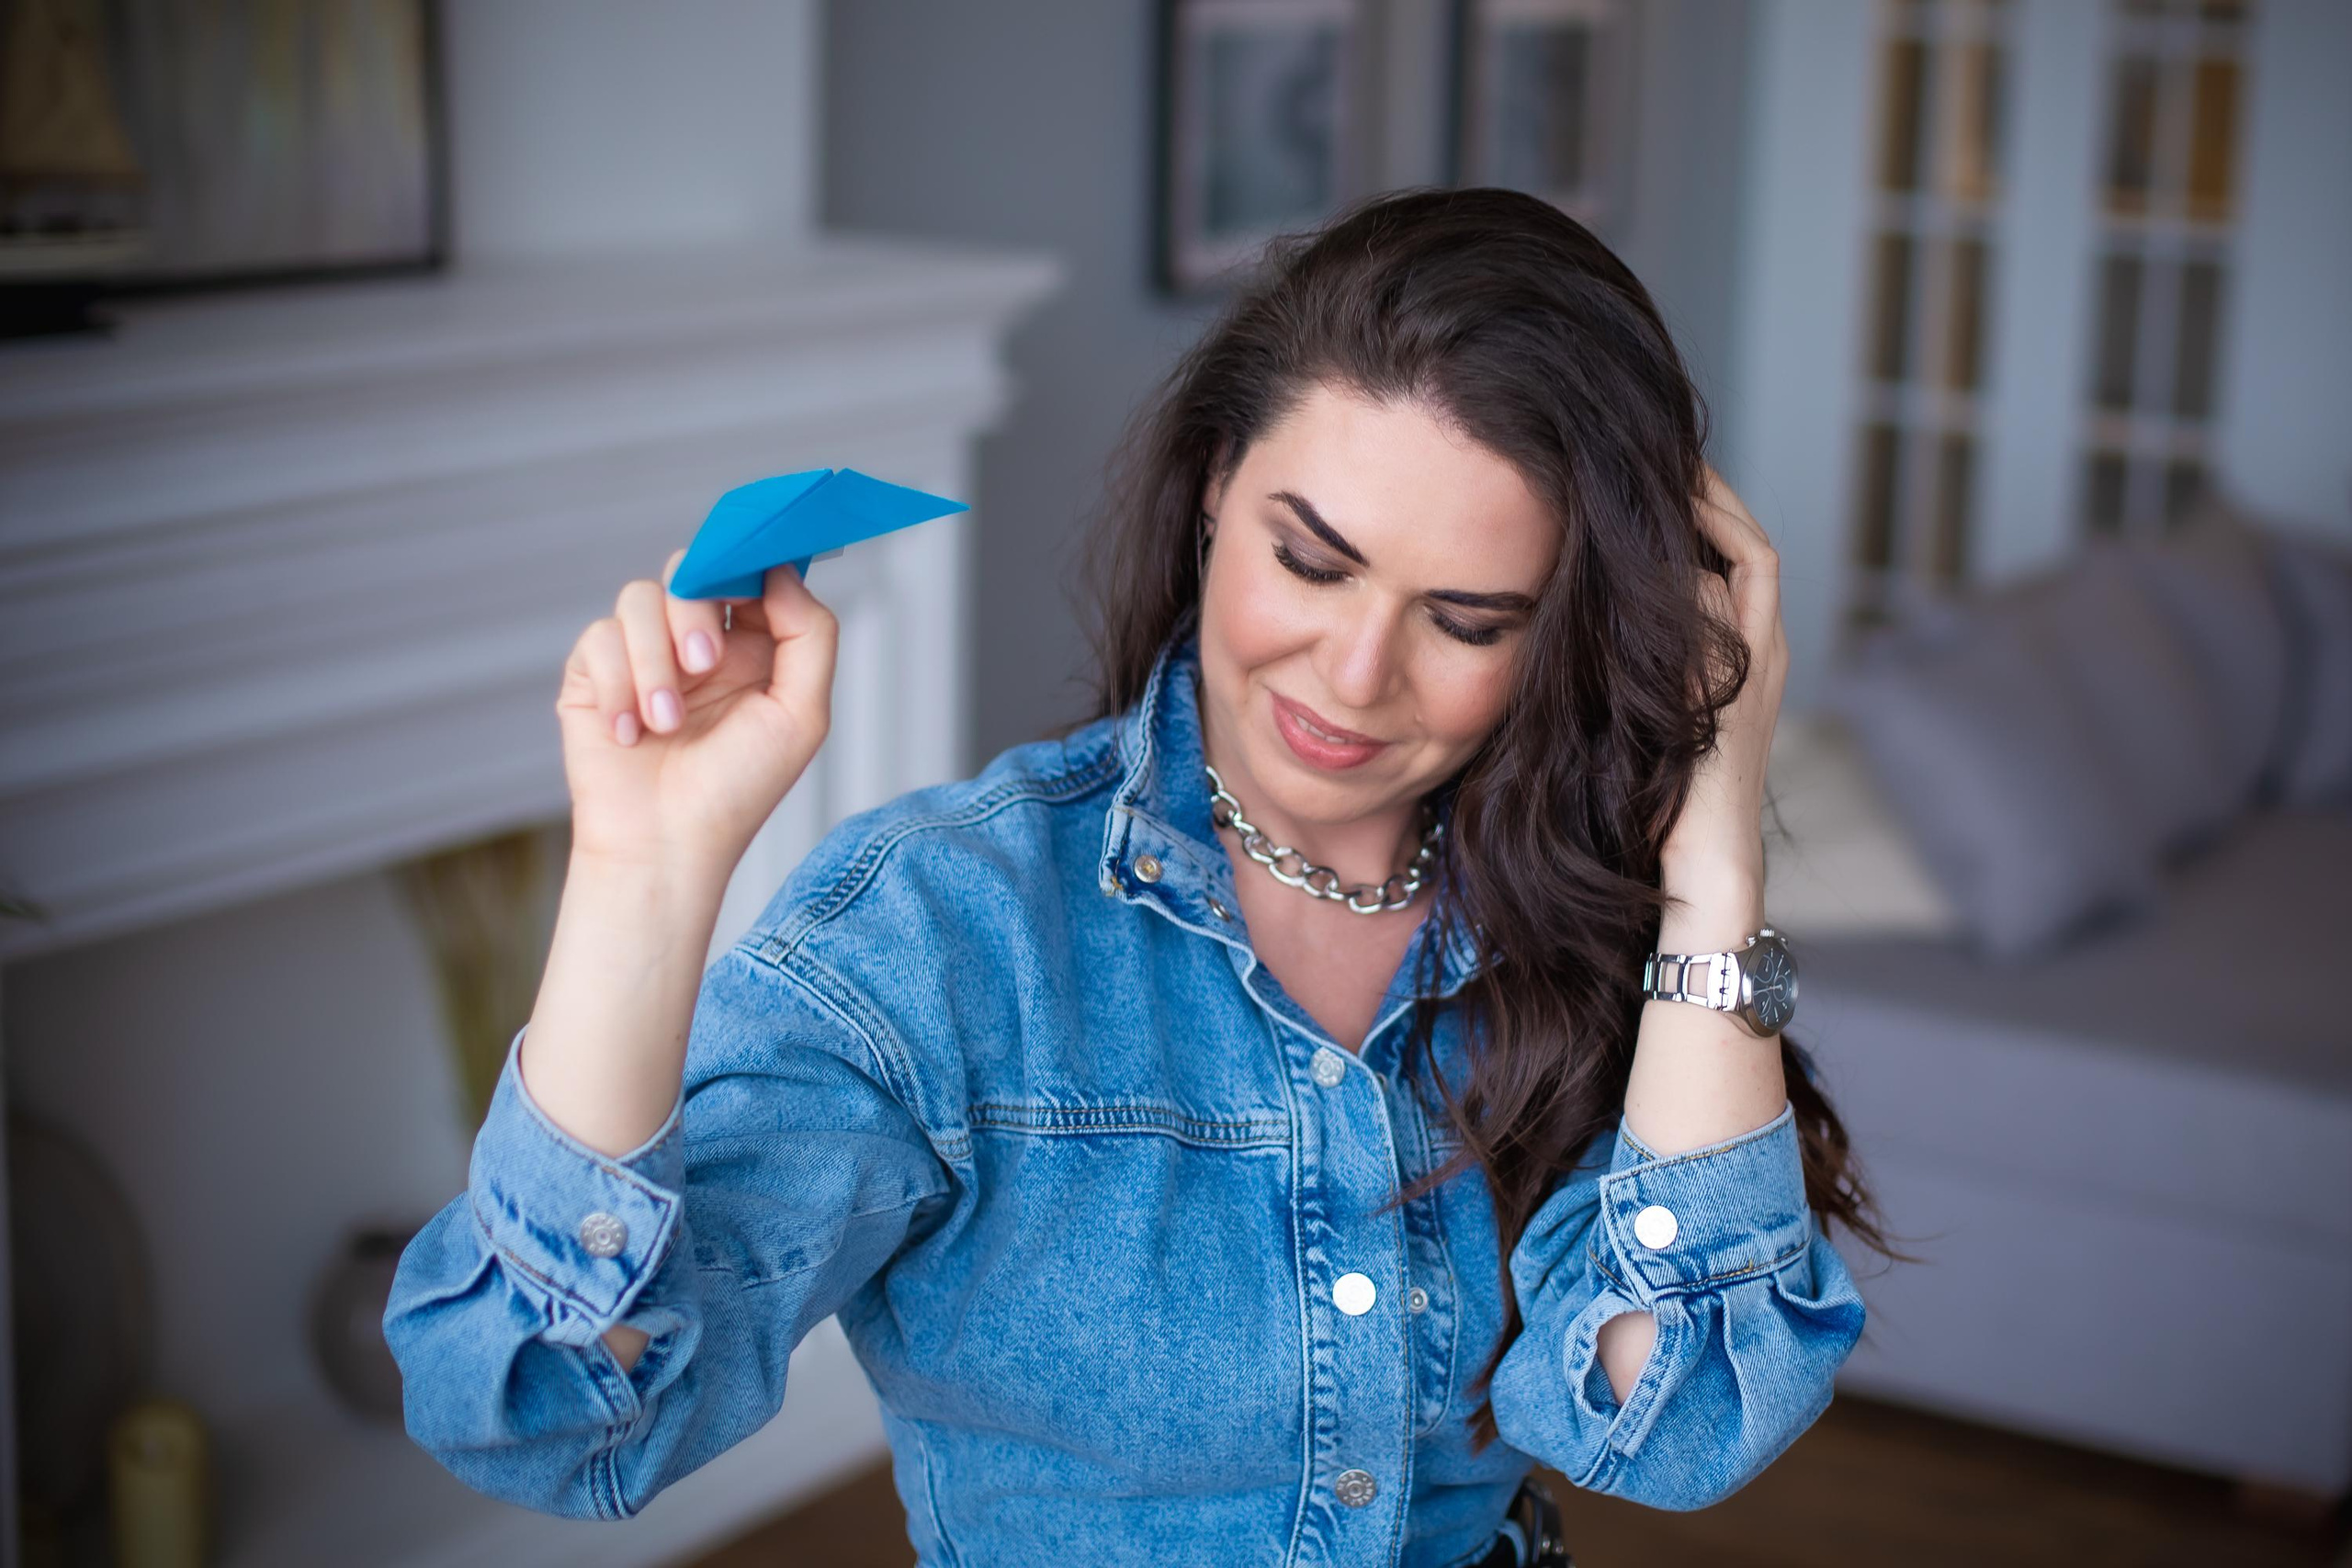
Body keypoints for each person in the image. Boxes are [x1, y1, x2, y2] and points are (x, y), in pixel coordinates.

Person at [384, 186, 1880, 1566]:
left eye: (1470, 620)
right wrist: (643, 871)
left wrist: (1719, 829)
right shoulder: (942, 934)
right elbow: (553, 1421)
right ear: (1220, 484)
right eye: (1311, 561)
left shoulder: (1587, 920)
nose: (1355, 677)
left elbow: (1678, 1426)